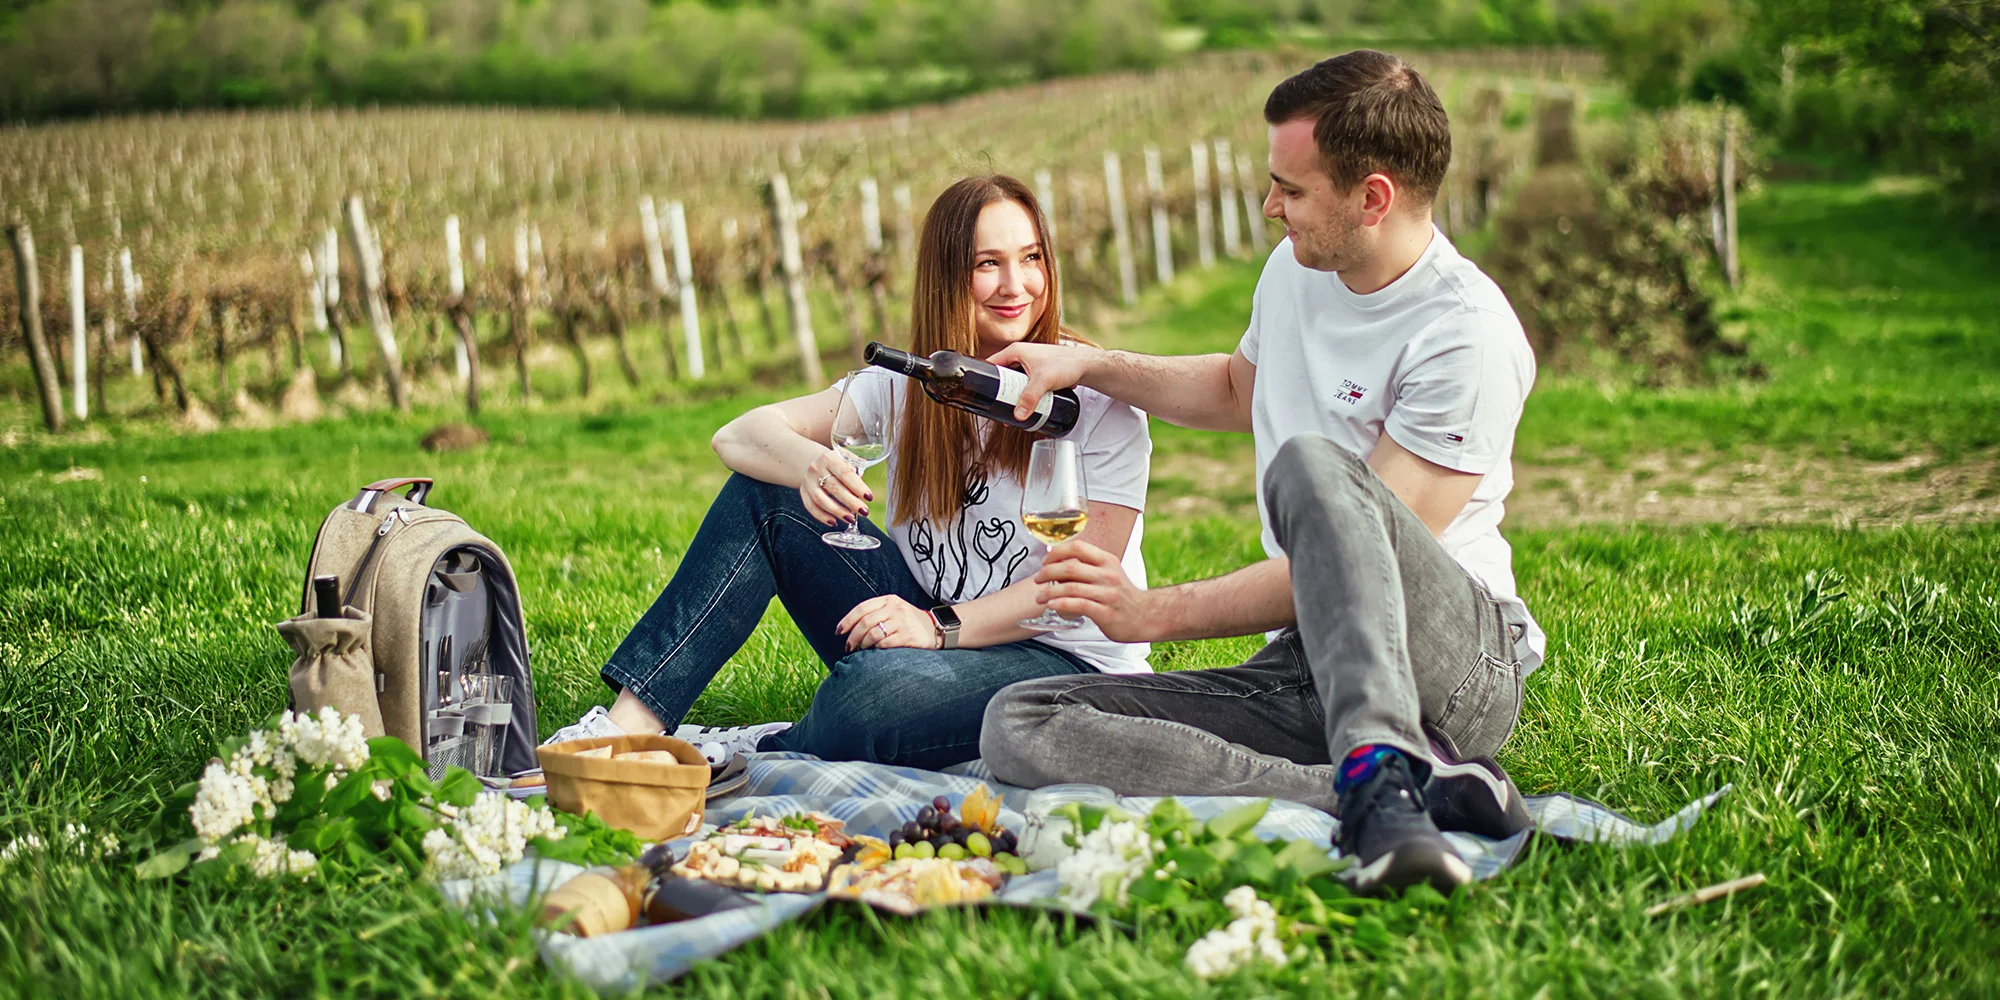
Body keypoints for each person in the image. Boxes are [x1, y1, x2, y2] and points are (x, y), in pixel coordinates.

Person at [977, 50, 1544, 895]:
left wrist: (1150, 614)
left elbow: (1362, 570)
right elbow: (1238, 389)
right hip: (1311, 658)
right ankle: (1395, 789)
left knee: (1314, 469)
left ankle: (1384, 772)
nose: (1270, 206)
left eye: (1291, 189)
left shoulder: (1467, 336)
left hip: (1454, 665)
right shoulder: (1295, 270)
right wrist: (1089, 365)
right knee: (1022, 722)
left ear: (1372, 198)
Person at [544, 174, 1153, 771]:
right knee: (767, 494)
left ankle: (742, 753)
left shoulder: (1097, 401)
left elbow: (1076, 589)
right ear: (946, 278)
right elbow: (738, 435)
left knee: (872, 695)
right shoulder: (914, 386)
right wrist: (809, 464)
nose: (1015, 284)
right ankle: (626, 731)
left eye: (1031, 258)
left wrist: (934, 627)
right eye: (987, 264)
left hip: (1061, 664)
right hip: (932, 630)